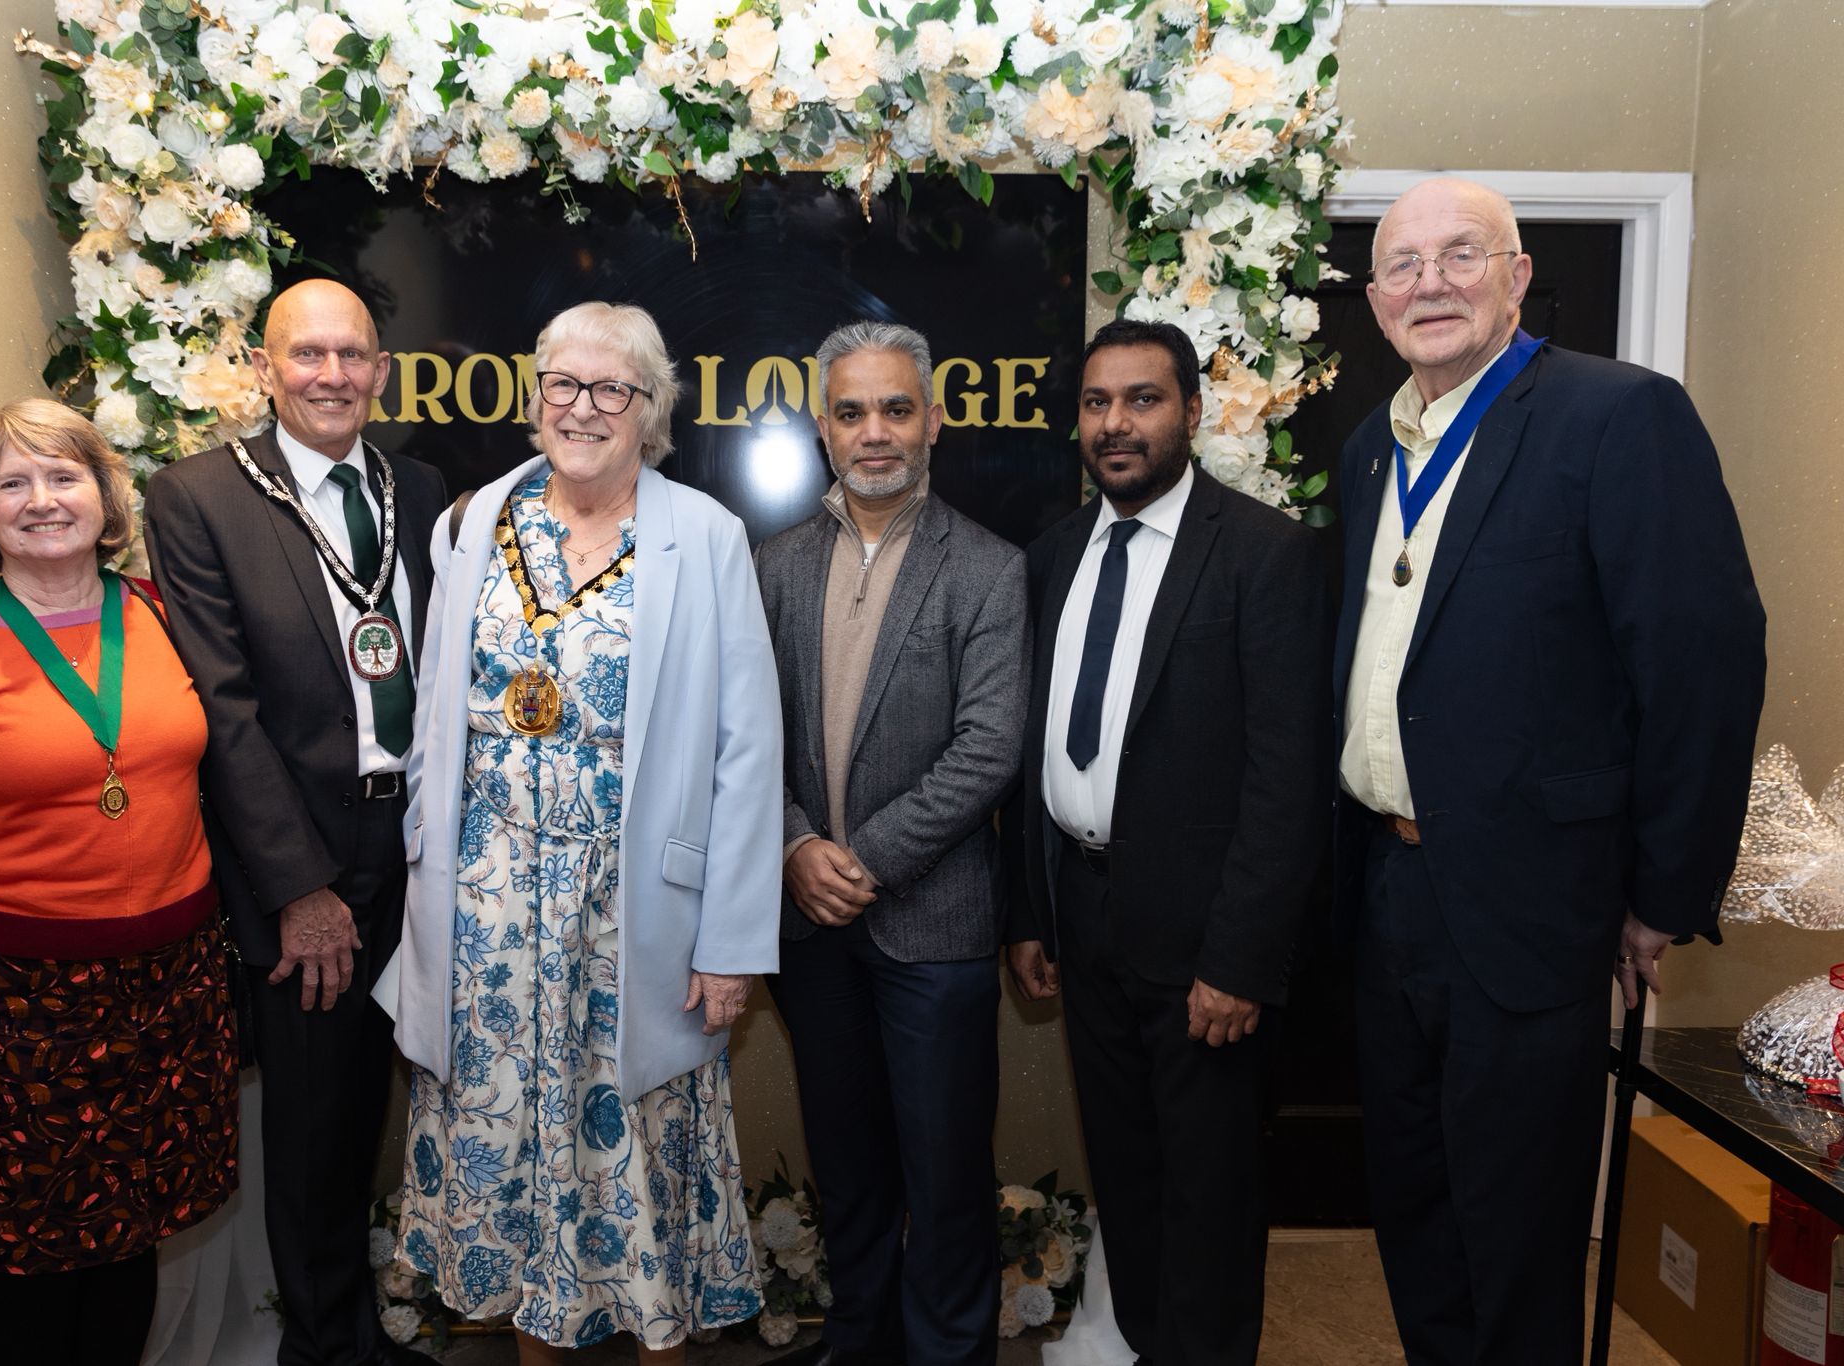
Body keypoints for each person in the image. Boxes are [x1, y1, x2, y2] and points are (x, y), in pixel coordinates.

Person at [1332, 176, 1765, 1363]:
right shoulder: (1372, 447)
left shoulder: (1617, 417)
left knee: (1515, 1232)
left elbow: (1700, 665)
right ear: (1373, 300)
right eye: (1402, 265)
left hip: (1532, 902)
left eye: (1459, 254)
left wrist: (1658, 893)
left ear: (1516, 275)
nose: (1429, 283)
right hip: (1389, 892)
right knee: (1415, 1209)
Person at [379, 300, 780, 1356]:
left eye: (612, 388)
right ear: (535, 395)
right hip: (487, 920)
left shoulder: (705, 536)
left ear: (650, 410)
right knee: (511, 1179)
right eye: (563, 382)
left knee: (639, 1175)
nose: (583, 407)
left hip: (636, 919)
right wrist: (424, 877)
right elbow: (434, 718)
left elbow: (747, 748)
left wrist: (731, 942)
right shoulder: (473, 522)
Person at [0, 398, 236, 1366]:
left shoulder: (163, 615)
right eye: (12, 482)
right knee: (34, 1271)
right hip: (22, 1012)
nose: (42, 500)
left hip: (172, 990)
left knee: (133, 1245)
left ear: (105, 495)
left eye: (65, 475)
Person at [1003, 319, 1330, 1364]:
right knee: (1131, 1181)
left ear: (1191, 411)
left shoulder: (1266, 554)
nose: (1116, 423)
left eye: (1141, 400)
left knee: (1210, 1199)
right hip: (1084, 920)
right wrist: (1030, 914)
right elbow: (1030, 752)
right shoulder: (1052, 555)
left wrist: (1239, 961)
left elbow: (1287, 783)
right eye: (1097, 403)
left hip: (1203, 947)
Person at [145, 278, 447, 1366]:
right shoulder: (200, 497)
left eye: (352, 354)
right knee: (316, 1121)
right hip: (308, 856)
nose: (331, 375)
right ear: (263, 368)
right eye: (307, 354)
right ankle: (322, 1349)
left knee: (383, 1106)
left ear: (382, 371)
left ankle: (357, 1330)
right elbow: (222, 710)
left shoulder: (417, 487)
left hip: (419, 846)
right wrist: (299, 889)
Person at [753, 320, 1025, 1366]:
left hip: (934, 928)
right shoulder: (775, 564)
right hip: (810, 928)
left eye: (896, 409)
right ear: (823, 429)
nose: (875, 432)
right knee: (849, 1165)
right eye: (853, 411)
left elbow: (987, 749)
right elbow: (744, 732)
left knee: (945, 1175)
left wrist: (857, 859)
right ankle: (857, 1342)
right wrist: (793, 847)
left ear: (934, 421)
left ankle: (948, 1353)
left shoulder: (987, 568)